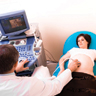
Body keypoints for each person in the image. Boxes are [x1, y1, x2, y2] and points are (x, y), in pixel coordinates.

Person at [0, 44, 80, 96]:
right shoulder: (29, 84)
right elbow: (56, 87)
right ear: (15, 64)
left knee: (41, 70)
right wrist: (69, 69)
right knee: (43, 70)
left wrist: (15, 70)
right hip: (37, 88)